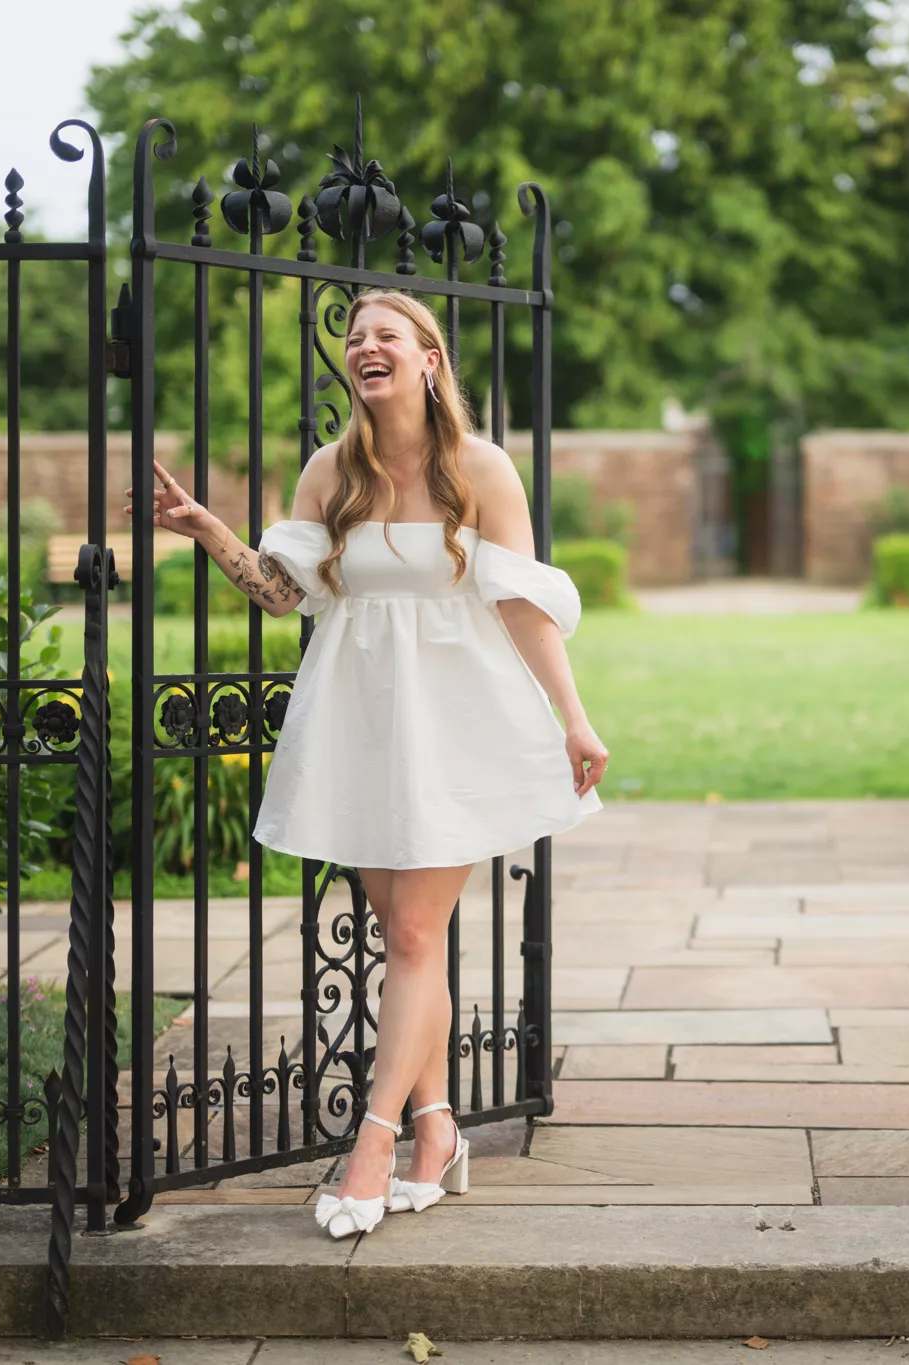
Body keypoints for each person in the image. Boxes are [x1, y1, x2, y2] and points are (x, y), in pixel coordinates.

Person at [126, 288, 608, 1240]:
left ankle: (376, 1142)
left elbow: (522, 603)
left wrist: (575, 720)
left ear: (430, 358)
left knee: (418, 936)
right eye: (355, 338)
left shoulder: (481, 469)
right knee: (402, 935)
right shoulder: (329, 472)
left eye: (388, 334)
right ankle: (439, 1129)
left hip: (459, 725)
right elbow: (280, 593)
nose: (366, 347)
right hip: (360, 723)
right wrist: (208, 528)